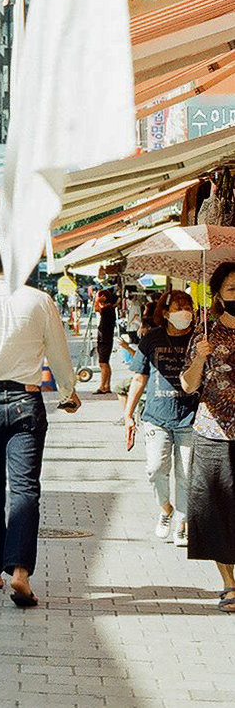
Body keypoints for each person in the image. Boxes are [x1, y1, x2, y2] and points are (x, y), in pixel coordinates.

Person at [0, 230, 81, 609]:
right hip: (26, 401)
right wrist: (68, 392)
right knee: (25, 490)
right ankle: (20, 570)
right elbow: (59, 352)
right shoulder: (39, 300)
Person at [179, 262, 235, 613]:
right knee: (217, 510)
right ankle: (229, 583)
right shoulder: (205, 334)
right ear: (218, 295)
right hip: (213, 433)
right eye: (232, 289)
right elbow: (188, 385)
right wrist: (200, 357)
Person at [125, 290, 198, 546]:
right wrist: (128, 415)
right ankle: (166, 509)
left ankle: (182, 522)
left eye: (188, 307)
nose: (185, 312)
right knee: (155, 469)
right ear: (165, 313)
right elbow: (139, 378)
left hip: (190, 417)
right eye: (178, 307)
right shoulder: (151, 339)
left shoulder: (199, 339)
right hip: (157, 416)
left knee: (186, 474)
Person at [94, 287, 118, 395]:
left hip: (105, 339)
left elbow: (96, 309)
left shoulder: (108, 308)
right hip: (105, 338)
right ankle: (107, 385)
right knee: (105, 363)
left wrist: (97, 300)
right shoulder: (109, 308)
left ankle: (102, 386)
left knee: (103, 363)